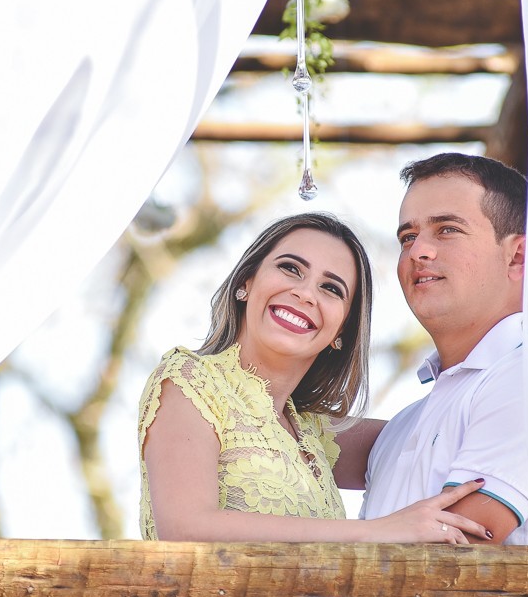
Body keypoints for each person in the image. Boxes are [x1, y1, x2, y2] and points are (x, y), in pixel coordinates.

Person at [138, 212, 491, 543]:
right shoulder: (191, 381)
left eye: (331, 289)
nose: (305, 294)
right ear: (246, 282)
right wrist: (377, 531)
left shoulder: (313, 433)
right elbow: (185, 527)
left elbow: (443, 429)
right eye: (291, 268)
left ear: (341, 331)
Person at [360, 153, 528, 545]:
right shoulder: (405, 423)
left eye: (447, 230)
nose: (418, 252)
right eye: (407, 237)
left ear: (517, 256)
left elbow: (453, 560)